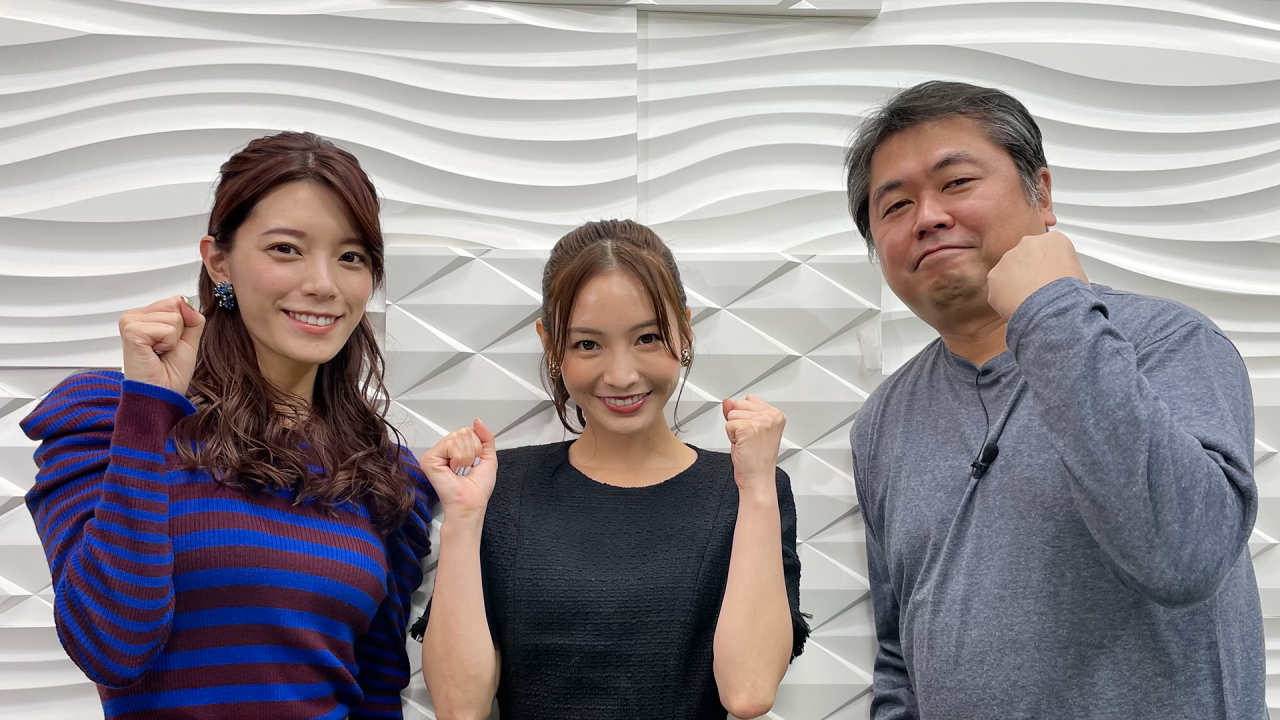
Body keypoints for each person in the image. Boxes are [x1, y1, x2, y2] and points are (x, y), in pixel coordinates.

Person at [843, 80, 1265, 719]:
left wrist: (1051, 312)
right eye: (896, 205)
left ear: (1041, 194)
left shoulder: (1168, 342)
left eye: (956, 182)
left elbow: (1183, 558)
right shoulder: (883, 419)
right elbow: (900, 653)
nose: (927, 216)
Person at [21, 131, 436, 720]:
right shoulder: (107, 416)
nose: (323, 283)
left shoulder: (384, 474)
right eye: (286, 249)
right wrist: (149, 407)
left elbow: (377, 692)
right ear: (219, 261)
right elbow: (110, 647)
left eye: (351, 257)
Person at [411, 219, 810, 720]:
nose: (622, 375)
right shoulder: (501, 488)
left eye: (648, 337)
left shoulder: (746, 489)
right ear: (550, 344)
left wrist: (756, 488)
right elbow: (459, 708)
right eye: (588, 344)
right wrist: (464, 520)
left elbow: (748, 692)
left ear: (685, 330)